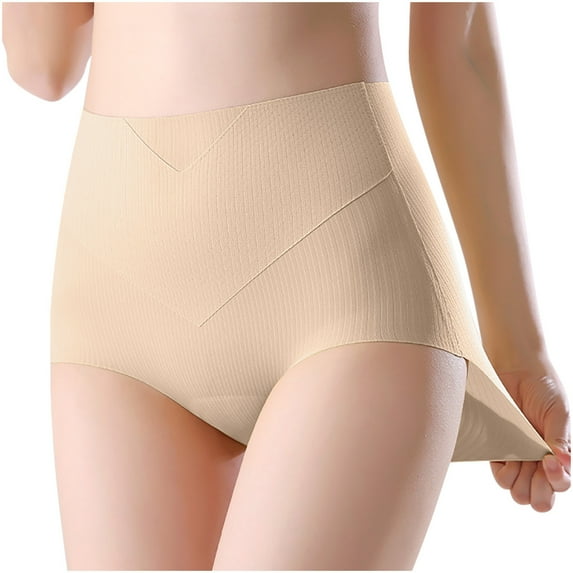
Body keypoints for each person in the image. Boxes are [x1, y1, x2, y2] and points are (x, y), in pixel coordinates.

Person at [2, 2, 570, 570]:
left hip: (345, 269)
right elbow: (43, 65)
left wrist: (519, 351)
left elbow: (457, 41)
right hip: (115, 303)